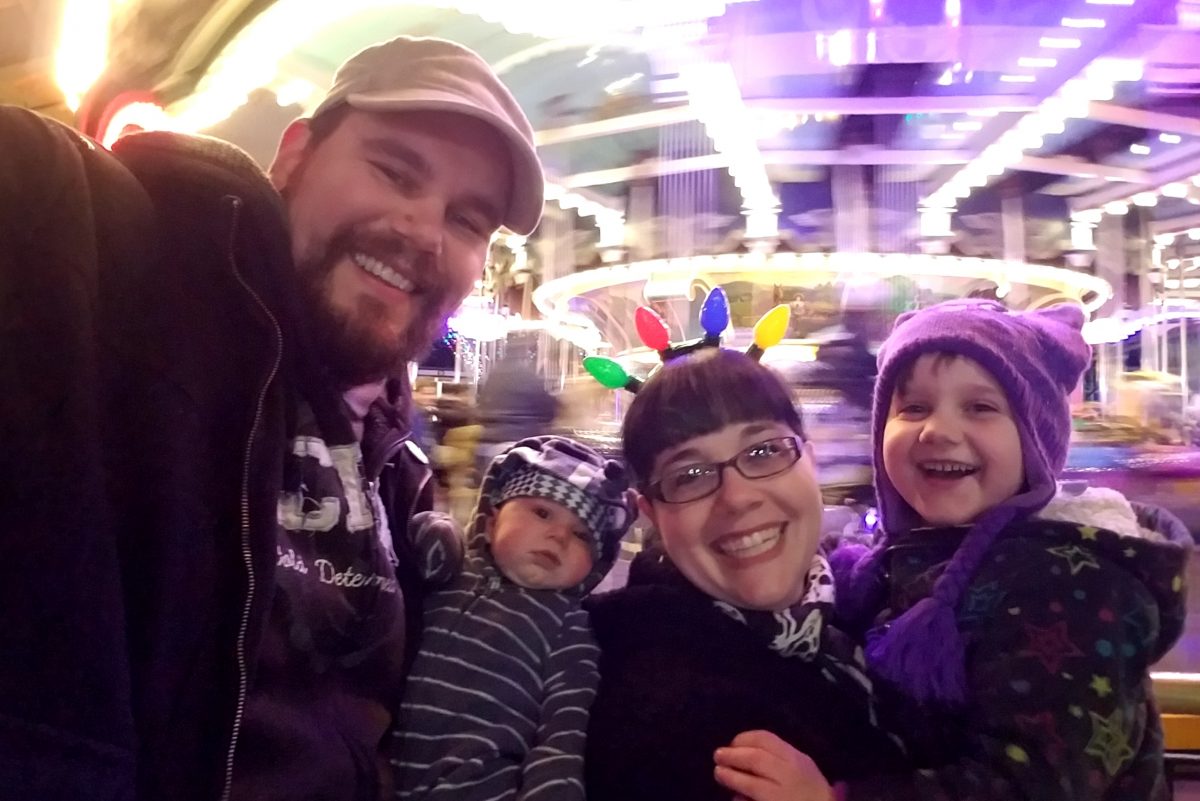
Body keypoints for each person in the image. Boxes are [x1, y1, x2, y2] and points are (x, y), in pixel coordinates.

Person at [0, 36, 543, 801]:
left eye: (467, 219)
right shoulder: (121, 283)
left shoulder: (399, 471)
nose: (424, 231)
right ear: (294, 158)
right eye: (394, 171)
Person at [818, 299, 1190, 800]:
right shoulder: (895, 557)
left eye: (981, 407)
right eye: (914, 408)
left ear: (1036, 441)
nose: (937, 430)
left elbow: (1032, 784)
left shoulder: (1070, 587)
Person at [584, 348, 908, 801]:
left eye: (763, 451)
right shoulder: (661, 718)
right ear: (652, 515)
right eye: (690, 475)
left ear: (810, 461)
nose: (737, 498)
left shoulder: (876, 610)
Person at [390, 435, 636, 800]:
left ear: (594, 567)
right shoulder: (450, 568)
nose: (559, 536)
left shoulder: (569, 629)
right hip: (368, 770)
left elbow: (563, 733)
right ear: (491, 523)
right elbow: (394, 562)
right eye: (542, 512)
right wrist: (430, 530)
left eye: (582, 534)